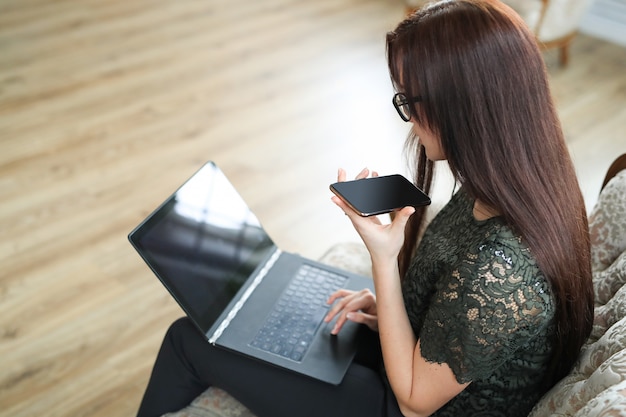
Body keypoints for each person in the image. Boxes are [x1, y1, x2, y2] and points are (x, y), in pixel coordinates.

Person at [136, 1, 594, 416]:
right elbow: (453, 314)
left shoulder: (501, 267)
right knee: (277, 321)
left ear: (464, 106)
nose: (409, 119)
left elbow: (415, 402)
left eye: (410, 101)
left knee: (187, 339)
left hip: (401, 406)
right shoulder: (515, 184)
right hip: (409, 365)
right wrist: (387, 309)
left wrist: (383, 258)